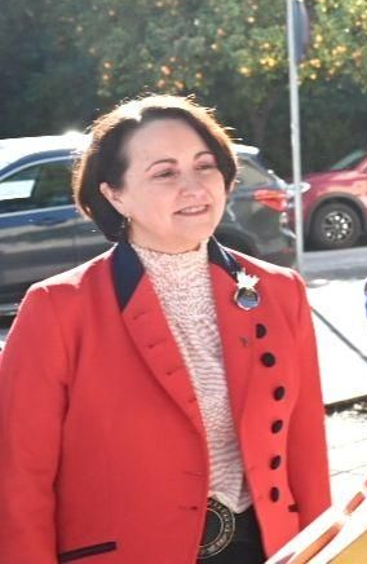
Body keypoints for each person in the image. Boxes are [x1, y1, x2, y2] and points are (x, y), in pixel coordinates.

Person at [0, 95, 331, 562]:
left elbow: (306, 452)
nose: (194, 187)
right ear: (115, 194)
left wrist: (323, 551)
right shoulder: (57, 308)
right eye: (165, 173)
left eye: (205, 166)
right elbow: (18, 481)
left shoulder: (280, 291)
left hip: (269, 549)